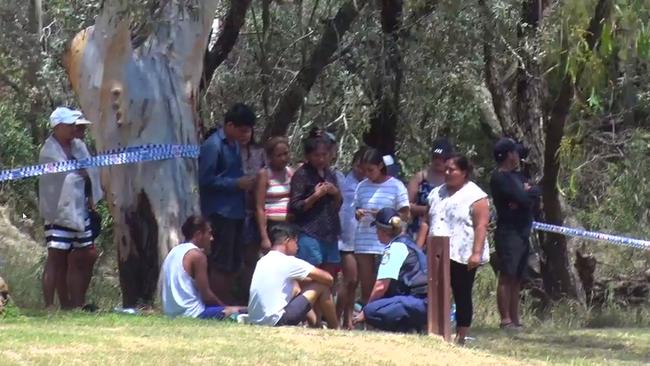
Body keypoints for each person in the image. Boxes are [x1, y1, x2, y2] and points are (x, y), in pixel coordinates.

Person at [39, 107, 102, 310]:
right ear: (57, 127)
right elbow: (59, 179)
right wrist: (78, 174)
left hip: (80, 212)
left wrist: (88, 184)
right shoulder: (49, 151)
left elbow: (90, 170)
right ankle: (50, 305)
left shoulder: (79, 146)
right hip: (57, 214)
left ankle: (75, 305)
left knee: (84, 254)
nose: (73, 128)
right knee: (56, 258)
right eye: (69, 125)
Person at [427, 153, 490, 344]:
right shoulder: (436, 193)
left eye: (452, 169)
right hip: (437, 250)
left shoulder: (476, 196)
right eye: (445, 169)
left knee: (461, 292)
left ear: (464, 172)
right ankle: (437, 330)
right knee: (436, 291)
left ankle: (461, 335)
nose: (447, 172)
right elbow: (427, 220)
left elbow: (481, 225)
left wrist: (476, 253)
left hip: (462, 253)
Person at [198, 103, 257, 303]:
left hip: (237, 212)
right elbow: (205, 180)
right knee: (220, 263)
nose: (246, 135)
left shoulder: (234, 146)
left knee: (234, 263)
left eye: (248, 131)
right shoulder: (213, 146)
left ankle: (227, 303)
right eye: (242, 130)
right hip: (220, 213)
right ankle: (216, 306)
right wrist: (236, 183)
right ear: (230, 125)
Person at [490, 137, 540, 329]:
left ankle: (515, 318)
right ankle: (505, 319)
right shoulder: (499, 177)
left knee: (517, 277)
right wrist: (523, 196)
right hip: (508, 233)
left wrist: (527, 194)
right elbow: (522, 198)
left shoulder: (518, 176)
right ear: (509, 155)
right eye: (515, 152)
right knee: (507, 275)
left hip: (523, 232)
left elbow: (534, 192)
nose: (518, 155)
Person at [248, 224, 339, 328]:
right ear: (287, 241)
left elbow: (297, 291)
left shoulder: (262, 260)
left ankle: (315, 324)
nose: (297, 246)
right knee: (321, 286)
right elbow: (329, 279)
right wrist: (312, 281)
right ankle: (335, 328)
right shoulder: (289, 261)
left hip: (255, 321)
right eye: (295, 242)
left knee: (296, 287)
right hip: (277, 320)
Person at [352, 208, 428, 333]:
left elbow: (381, 286)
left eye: (376, 229)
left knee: (371, 311)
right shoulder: (409, 244)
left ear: (382, 231)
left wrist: (365, 311)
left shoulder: (395, 248)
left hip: (417, 302)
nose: (376, 233)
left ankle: (407, 328)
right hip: (423, 301)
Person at [354, 148, 410, 305]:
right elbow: (356, 208)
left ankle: (384, 319)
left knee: (385, 286)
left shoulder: (396, 186)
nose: (367, 174)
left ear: (380, 166)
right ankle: (367, 321)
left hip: (387, 243)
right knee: (366, 286)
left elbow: (405, 214)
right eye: (364, 170)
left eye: (370, 170)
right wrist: (358, 213)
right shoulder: (362, 186)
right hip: (364, 242)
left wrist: (385, 215)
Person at [160, 215, 245, 319]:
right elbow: (206, 295)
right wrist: (225, 308)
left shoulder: (174, 251)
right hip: (193, 314)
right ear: (199, 234)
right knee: (243, 311)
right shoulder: (197, 255)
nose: (212, 238)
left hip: (170, 314)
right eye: (209, 233)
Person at [288, 129, 342, 276]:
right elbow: (295, 206)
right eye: (316, 155)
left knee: (329, 277)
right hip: (310, 233)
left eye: (324, 155)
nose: (321, 159)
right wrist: (315, 196)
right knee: (311, 277)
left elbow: (338, 204)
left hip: (330, 232)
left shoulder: (330, 174)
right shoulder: (302, 175)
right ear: (308, 156)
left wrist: (335, 193)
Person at [335, 147, 366, 329]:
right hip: (345, 238)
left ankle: (347, 319)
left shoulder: (370, 185)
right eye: (361, 166)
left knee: (355, 283)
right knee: (349, 280)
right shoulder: (343, 180)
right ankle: (335, 317)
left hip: (362, 239)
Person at [407, 138, 454, 246]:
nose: (438, 161)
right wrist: (428, 210)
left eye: (443, 158)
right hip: (418, 230)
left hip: (446, 231)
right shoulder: (420, 177)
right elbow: (406, 205)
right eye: (435, 157)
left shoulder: (454, 180)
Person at [255, 137, 293, 251]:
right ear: (270, 157)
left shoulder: (291, 172)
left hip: (290, 225)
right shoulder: (264, 174)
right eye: (279, 155)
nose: (283, 158)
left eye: (286, 153)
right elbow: (259, 207)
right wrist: (264, 237)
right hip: (273, 227)